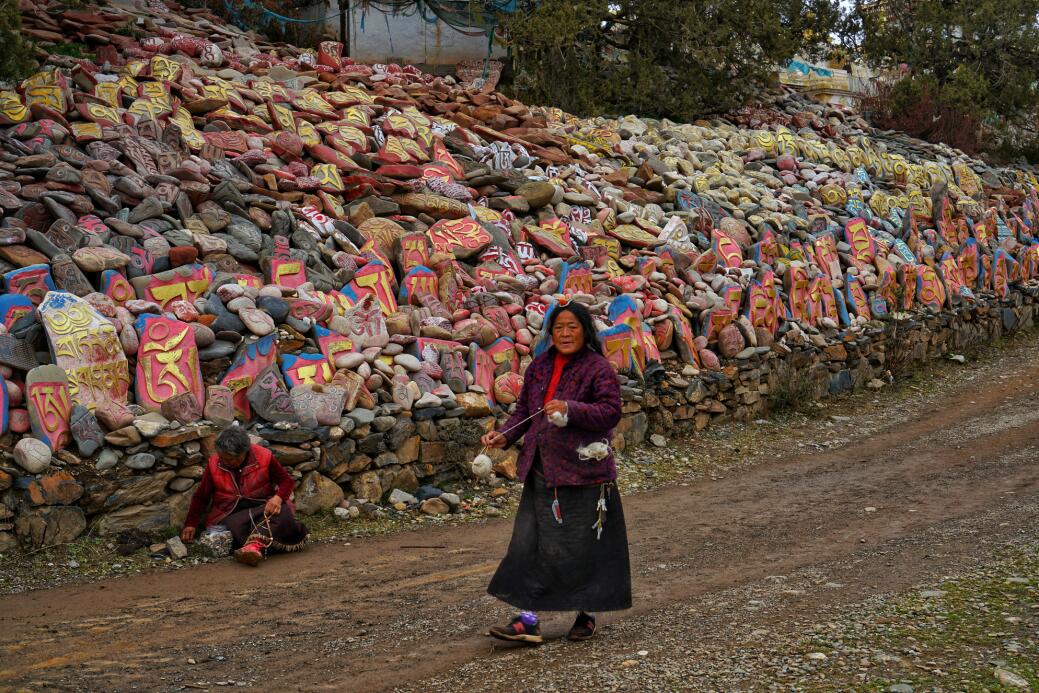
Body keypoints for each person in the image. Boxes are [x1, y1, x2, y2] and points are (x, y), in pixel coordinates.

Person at [481, 300, 631, 644]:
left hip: (583, 473)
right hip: (541, 469)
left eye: (572, 327)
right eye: (559, 327)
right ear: (551, 332)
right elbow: (524, 411)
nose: (564, 334)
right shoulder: (539, 367)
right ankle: (528, 620)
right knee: (530, 544)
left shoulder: (598, 369)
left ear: (585, 331)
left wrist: (571, 409)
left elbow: (609, 412)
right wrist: (504, 435)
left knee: (580, 548)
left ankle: (585, 613)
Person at [180, 426, 308, 566]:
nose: (224, 462)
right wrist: (190, 523)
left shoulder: (264, 457)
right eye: (222, 458)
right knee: (232, 527)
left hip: (262, 507)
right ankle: (258, 546)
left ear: (244, 452)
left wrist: (277, 498)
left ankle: (253, 546)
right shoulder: (214, 463)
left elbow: (286, 481)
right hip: (231, 513)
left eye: (230, 459)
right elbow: (201, 496)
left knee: (283, 510)